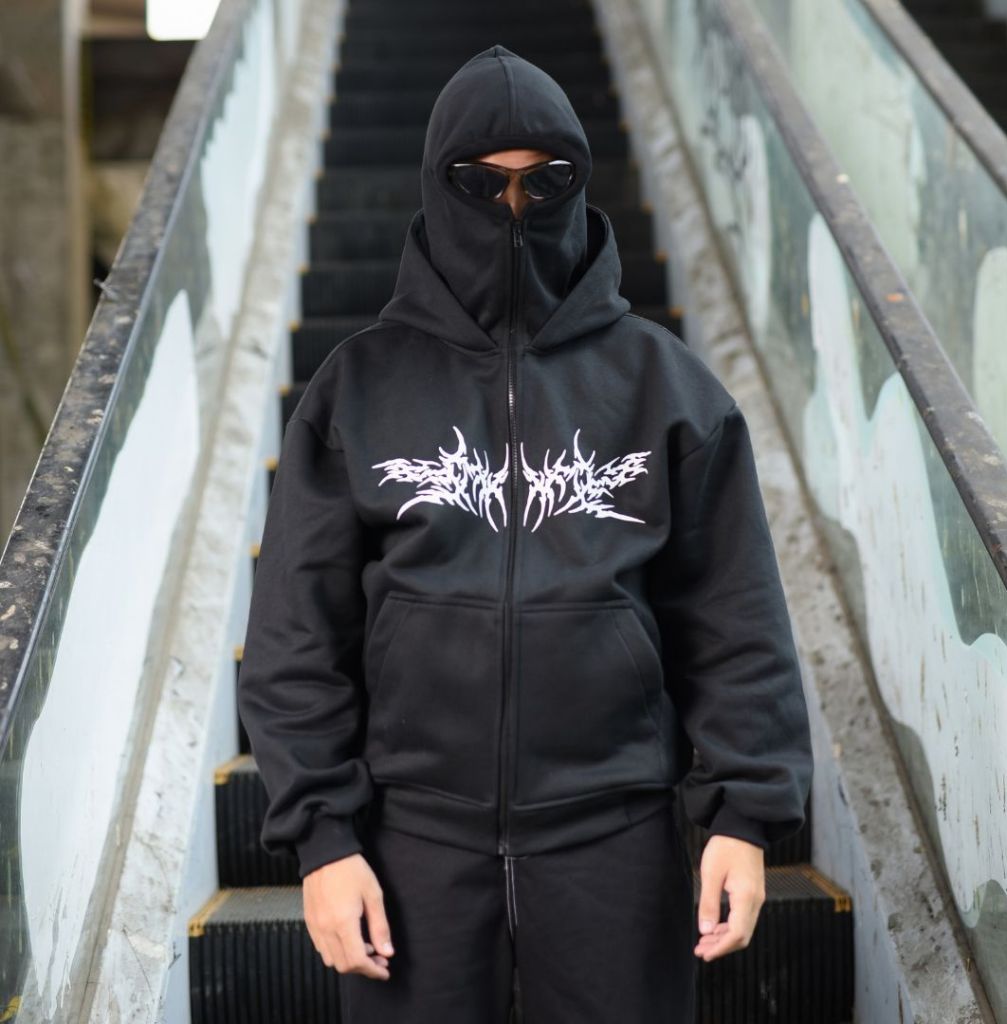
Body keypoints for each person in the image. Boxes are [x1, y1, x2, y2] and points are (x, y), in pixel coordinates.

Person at [237, 43, 814, 1023]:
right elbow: (296, 634)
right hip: (408, 847)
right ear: (438, 185)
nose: (513, 208)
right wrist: (323, 839)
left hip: (616, 843)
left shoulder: (666, 388)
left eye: (544, 182)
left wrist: (744, 816)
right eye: (482, 182)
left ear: (579, 185)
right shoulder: (357, 389)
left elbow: (736, 618)